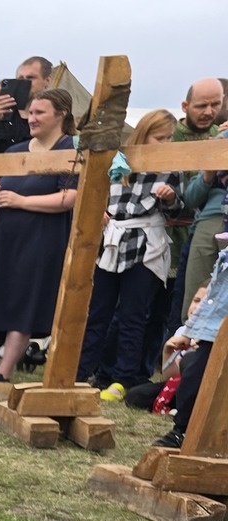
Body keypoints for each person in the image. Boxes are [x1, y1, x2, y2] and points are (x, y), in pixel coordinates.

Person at [0, 88, 77, 381]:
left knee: (23, 300)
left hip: (39, 237)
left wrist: (22, 202)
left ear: (61, 115)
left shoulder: (71, 151)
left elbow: (71, 197)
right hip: (0, 234)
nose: (32, 118)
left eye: (40, 113)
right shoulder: (15, 151)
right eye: (31, 112)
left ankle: (3, 371)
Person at [82, 109, 179, 405]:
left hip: (146, 242)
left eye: (169, 138)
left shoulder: (172, 166)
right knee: (98, 311)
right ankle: (81, 372)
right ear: (144, 134)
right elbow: (101, 193)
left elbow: (179, 206)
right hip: (113, 240)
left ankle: (122, 378)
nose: (165, 143)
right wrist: (99, 210)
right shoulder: (120, 161)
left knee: (133, 315)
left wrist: (170, 197)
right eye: (159, 137)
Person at [155, 240, 228, 449]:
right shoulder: (224, 257)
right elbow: (209, 300)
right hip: (211, 335)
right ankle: (181, 431)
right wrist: (188, 333)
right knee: (192, 380)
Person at [175, 78, 227, 321]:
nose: (209, 111)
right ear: (186, 106)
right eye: (202, 106)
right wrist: (208, 171)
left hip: (204, 224)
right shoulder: (217, 138)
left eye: (215, 104)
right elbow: (190, 197)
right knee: (192, 301)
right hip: (202, 224)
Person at [0, 56, 53, 154]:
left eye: (30, 78)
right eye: (20, 78)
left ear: (47, 81)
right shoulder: (1, 114)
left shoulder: (54, 116)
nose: (24, 82)